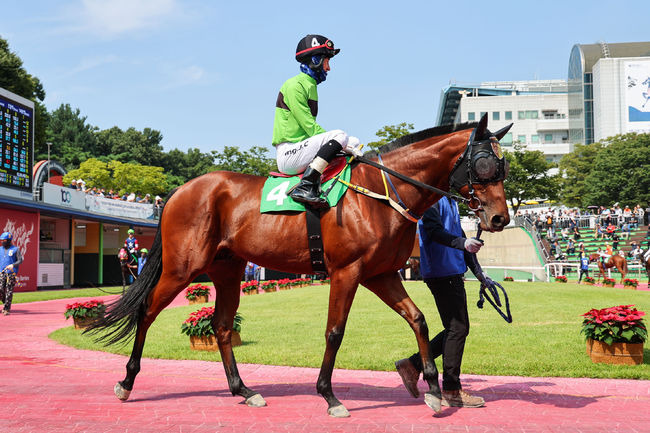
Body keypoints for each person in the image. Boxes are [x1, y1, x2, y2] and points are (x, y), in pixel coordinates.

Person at [394, 197, 487, 408]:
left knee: (456, 328)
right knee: (458, 329)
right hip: (442, 272)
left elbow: (460, 237)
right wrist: (463, 243)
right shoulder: (433, 199)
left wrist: (479, 273)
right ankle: (451, 390)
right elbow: (434, 231)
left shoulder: (451, 201)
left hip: (450, 271)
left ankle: (413, 364)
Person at [272, 34, 362, 209]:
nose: (328, 68)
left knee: (354, 141)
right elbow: (310, 127)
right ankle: (305, 185)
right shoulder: (294, 85)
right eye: (327, 62)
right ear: (316, 60)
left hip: (300, 149)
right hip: (289, 154)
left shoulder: (309, 85)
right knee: (340, 136)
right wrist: (341, 144)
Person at [1, 232, 23, 315]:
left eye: (4, 240)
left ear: (9, 240)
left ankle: (6, 309)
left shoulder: (15, 249)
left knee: (9, 291)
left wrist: (13, 265)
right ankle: (5, 302)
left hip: (11, 273)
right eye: (1, 240)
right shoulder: (0, 249)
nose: (2, 242)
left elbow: (20, 260)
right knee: (0, 289)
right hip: (1, 273)